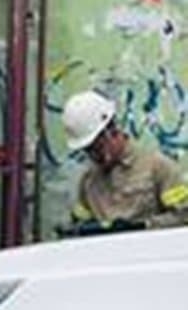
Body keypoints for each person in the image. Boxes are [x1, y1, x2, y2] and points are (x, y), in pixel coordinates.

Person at [62, 90, 188, 232]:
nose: (94, 156)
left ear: (111, 131)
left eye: (97, 148)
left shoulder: (157, 167)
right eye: (87, 150)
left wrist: (145, 226)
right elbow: (79, 223)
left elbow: (184, 216)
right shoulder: (88, 181)